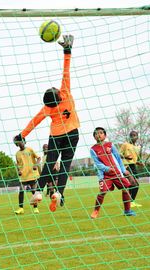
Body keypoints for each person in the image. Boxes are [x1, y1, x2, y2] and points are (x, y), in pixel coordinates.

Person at [14, 35, 80, 212]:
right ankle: (58, 193)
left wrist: (22, 135)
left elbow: (34, 121)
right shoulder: (65, 93)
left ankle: (38, 192)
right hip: (73, 134)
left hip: (56, 136)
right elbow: (66, 71)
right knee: (65, 165)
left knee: (50, 162)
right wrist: (67, 50)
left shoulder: (47, 108)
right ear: (58, 95)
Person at [90, 127, 136, 219]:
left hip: (117, 173)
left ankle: (127, 211)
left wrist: (123, 170)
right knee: (102, 192)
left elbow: (118, 158)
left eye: (100, 133)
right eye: (96, 133)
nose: (98, 135)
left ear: (105, 135)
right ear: (94, 137)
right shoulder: (93, 149)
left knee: (126, 189)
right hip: (105, 175)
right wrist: (107, 169)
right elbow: (97, 163)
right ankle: (96, 211)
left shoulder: (110, 145)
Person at [13, 135, 41, 214]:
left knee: (33, 191)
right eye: (18, 142)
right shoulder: (17, 154)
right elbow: (18, 165)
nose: (20, 143)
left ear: (24, 142)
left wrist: (36, 165)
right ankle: (21, 208)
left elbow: (39, 158)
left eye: (21, 142)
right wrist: (19, 171)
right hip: (23, 176)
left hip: (32, 174)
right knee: (21, 191)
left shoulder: (30, 149)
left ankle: (35, 208)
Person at [120, 131, 143, 208]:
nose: (133, 137)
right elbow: (119, 155)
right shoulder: (125, 144)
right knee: (135, 184)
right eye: (132, 135)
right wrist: (126, 157)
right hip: (127, 166)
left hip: (133, 166)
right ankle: (130, 202)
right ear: (129, 136)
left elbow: (134, 160)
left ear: (137, 137)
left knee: (133, 185)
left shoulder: (137, 147)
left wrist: (139, 163)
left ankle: (130, 202)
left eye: (135, 135)